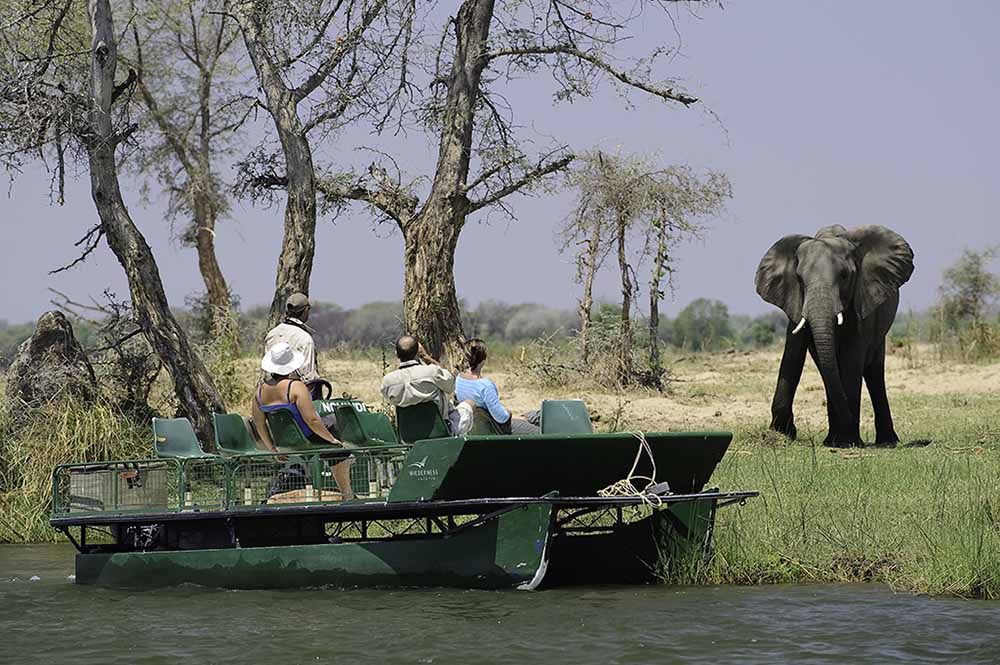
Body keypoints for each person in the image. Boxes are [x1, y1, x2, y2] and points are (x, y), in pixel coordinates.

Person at [252, 342, 354, 499]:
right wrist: (332, 439)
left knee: (330, 428)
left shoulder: (259, 392)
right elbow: (312, 420)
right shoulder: (296, 387)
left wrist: (273, 449)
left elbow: (259, 424)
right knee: (336, 426)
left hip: (283, 440)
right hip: (306, 436)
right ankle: (347, 491)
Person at [381, 335, 474, 436]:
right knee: (469, 404)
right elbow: (451, 385)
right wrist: (427, 357)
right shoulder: (432, 372)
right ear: (418, 352)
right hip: (441, 433)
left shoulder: (388, 382)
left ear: (397, 354)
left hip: (408, 436)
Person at [456, 338, 540, 435]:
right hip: (500, 427)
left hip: (483, 424)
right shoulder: (485, 385)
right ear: (483, 359)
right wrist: (509, 414)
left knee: (535, 415)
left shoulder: (459, 379)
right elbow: (501, 417)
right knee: (540, 431)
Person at [264, 292, 327, 399]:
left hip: (273, 393)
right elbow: (309, 378)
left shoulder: (272, 334)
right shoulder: (305, 338)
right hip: (298, 396)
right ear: (306, 310)